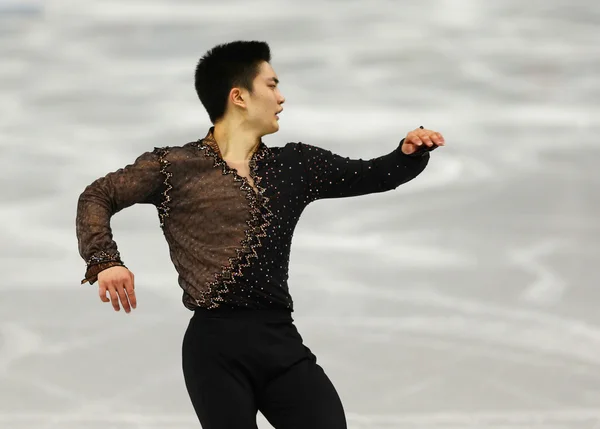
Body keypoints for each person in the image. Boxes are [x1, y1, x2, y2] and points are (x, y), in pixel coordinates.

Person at [75, 40, 445, 429]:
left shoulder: (296, 165)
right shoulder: (175, 168)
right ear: (239, 96)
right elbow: (98, 195)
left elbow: (373, 174)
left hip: (279, 341)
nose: (281, 97)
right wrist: (105, 260)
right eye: (271, 85)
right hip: (214, 349)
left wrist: (408, 153)